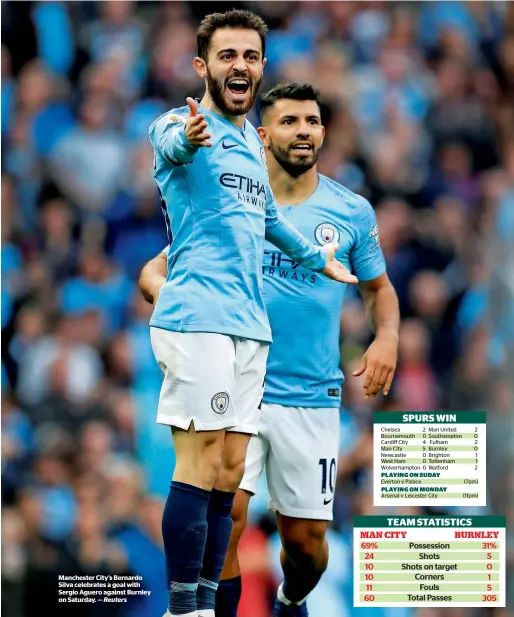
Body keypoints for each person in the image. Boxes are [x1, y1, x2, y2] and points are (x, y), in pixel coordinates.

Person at [141, 82, 400, 617]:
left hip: (312, 395)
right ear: (263, 133)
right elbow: (157, 268)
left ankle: (290, 600)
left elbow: (379, 289)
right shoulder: (233, 201)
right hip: (242, 385)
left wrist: (388, 337)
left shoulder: (351, 211)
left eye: (311, 121)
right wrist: (168, 298)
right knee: (226, 516)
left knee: (306, 550)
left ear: (323, 132)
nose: (302, 130)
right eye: (289, 121)